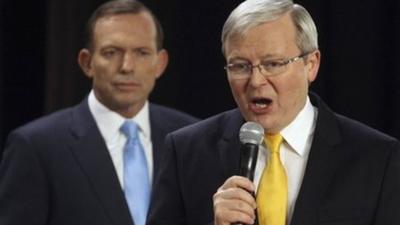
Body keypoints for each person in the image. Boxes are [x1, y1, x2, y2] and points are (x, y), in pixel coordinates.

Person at [147, 0, 400, 225]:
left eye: (273, 64)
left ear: (311, 65)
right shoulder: (186, 151)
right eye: (240, 66)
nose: (256, 81)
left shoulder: (377, 157)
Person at [0, 1, 198, 225]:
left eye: (142, 53)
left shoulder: (191, 138)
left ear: (160, 63)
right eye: (112, 52)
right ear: (87, 62)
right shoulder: (36, 146)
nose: (127, 66)